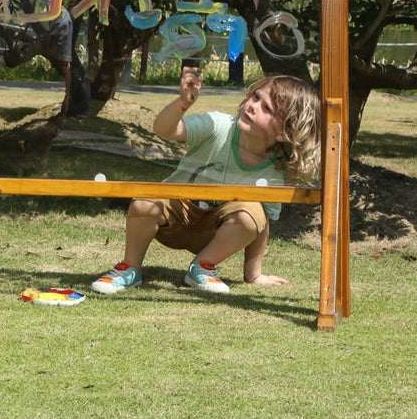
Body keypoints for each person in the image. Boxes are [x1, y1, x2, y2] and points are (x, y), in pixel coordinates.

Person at [90, 65, 320, 296]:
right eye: (255, 96)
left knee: (254, 213)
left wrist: (254, 274)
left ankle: (202, 266)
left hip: (214, 234)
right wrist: (183, 103)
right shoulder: (217, 126)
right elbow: (164, 130)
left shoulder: (273, 173)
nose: (252, 106)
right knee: (145, 199)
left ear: (284, 132)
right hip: (172, 220)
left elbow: (261, 226)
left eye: (266, 108)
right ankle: (130, 268)